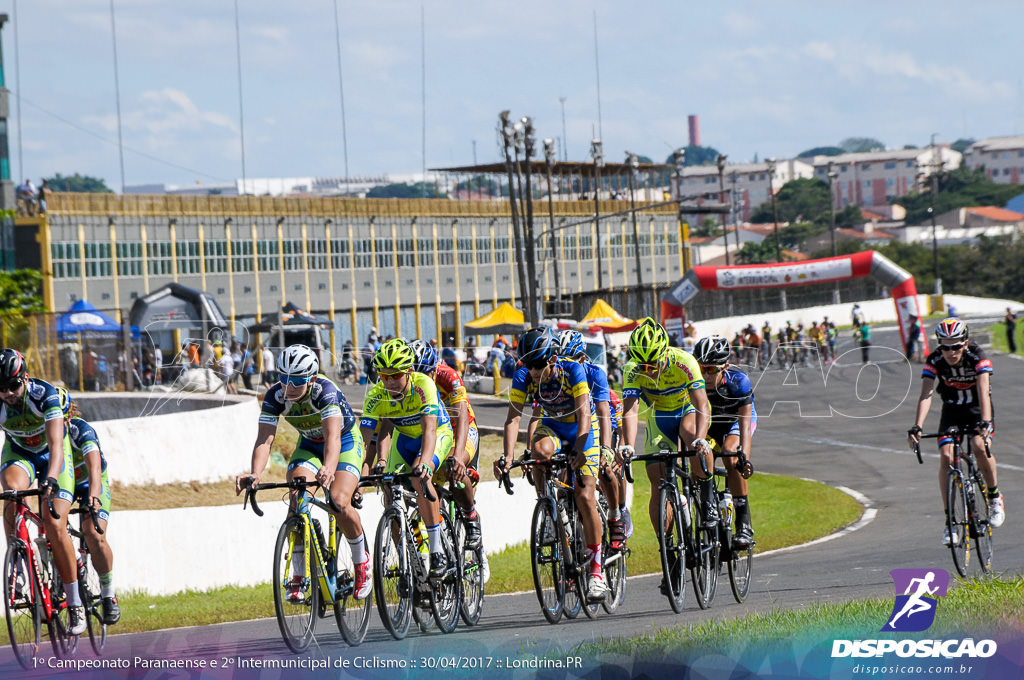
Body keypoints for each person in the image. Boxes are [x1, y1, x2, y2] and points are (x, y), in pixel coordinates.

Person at [235, 345, 372, 600]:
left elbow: (333, 438)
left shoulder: (325, 392)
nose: (288, 387)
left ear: (310, 379)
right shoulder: (275, 396)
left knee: (340, 502)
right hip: (309, 445)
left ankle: (361, 561)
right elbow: (265, 440)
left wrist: (329, 469)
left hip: (344, 443)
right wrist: (255, 474)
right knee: (297, 499)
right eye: (283, 378)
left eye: (296, 381)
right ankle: (299, 574)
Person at [493, 327, 608, 602]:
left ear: (553, 360)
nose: (532, 371)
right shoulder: (523, 376)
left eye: (538, 365)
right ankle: (549, 509)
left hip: (582, 430)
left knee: (584, 495)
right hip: (553, 426)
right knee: (538, 451)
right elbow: (513, 419)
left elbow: (584, 412)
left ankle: (596, 572)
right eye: (528, 364)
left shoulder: (572, 371)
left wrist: (580, 450)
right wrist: (507, 458)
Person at [615, 319, 714, 593]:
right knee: (656, 478)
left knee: (690, 433)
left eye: (654, 363)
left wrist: (701, 439)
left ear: (664, 352)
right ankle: (668, 550)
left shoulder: (683, 361)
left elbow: (702, 403)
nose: (649, 370)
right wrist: (628, 445)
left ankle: (706, 496)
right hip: (660, 417)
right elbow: (631, 410)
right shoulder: (633, 370)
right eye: (643, 365)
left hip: (686, 411)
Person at [0, 349, 87, 635]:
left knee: (54, 522)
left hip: (52, 455)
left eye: (12, 386)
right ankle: (18, 567)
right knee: (12, 494)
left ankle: (74, 603)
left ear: (24, 378)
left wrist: (50, 479)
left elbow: (57, 446)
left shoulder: (45, 395)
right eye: (0, 389)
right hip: (20, 452)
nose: (8, 394)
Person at [361, 339, 454, 580]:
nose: (389, 381)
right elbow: (365, 440)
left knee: (417, 476)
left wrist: (425, 463)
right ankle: (410, 559)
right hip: (404, 440)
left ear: (409, 372)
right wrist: (362, 472)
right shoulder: (376, 395)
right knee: (389, 491)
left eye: (395, 376)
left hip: (436, 434)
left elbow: (431, 430)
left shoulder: (423, 385)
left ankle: (436, 551)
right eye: (384, 375)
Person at [907, 318, 1005, 545]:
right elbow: (926, 394)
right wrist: (918, 426)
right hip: (952, 411)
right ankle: (950, 522)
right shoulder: (935, 360)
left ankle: (994, 497)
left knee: (979, 446)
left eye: (956, 346)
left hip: (977, 410)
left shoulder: (978, 356)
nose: (950, 352)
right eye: (945, 346)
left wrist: (985, 422)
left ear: (966, 343)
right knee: (946, 456)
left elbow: (983, 391)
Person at [408, 339, 486, 559]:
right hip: (433, 434)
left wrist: (459, 457)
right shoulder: (407, 382)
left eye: (426, 374)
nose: (422, 381)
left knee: (454, 468)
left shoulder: (448, 375)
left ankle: (471, 518)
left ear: (434, 369)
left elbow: (462, 417)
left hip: (460, 429)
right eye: (417, 376)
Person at [557, 329, 626, 552]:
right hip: (571, 428)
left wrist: (606, 449)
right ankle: (570, 540)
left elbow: (604, 412)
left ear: (583, 360)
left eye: (571, 360)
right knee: (562, 480)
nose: (565, 366)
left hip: (596, 425)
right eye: (561, 360)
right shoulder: (555, 376)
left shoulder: (595, 374)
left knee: (604, 470)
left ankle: (616, 517)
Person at [57, 387, 120, 624]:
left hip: (89, 484)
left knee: (94, 534)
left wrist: (93, 497)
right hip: (65, 485)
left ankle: (108, 595)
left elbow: (94, 469)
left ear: (69, 416)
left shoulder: (81, 430)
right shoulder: (41, 435)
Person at [693, 337, 757, 548]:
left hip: (735, 423)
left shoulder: (738, 381)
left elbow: (745, 424)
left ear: (725, 367)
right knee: (699, 457)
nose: (705, 375)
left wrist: (744, 457)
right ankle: (707, 508)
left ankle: (744, 524)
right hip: (711, 425)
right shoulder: (694, 381)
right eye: (701, 368)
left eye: (711, 369)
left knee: (731, 455)